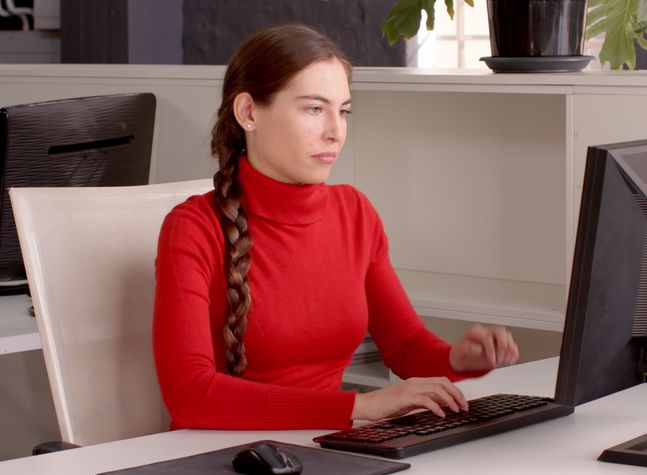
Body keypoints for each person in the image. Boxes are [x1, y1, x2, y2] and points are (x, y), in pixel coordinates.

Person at [152, 23, 519, 431]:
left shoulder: (354, 212)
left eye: (342, 111)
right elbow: (190, 396)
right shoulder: (192, 229)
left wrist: (459, 360)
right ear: (248, 112)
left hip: (328, 446)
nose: (336, 131)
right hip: (223, 460)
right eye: (314, 109)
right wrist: (360, 407)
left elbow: (404, 346)